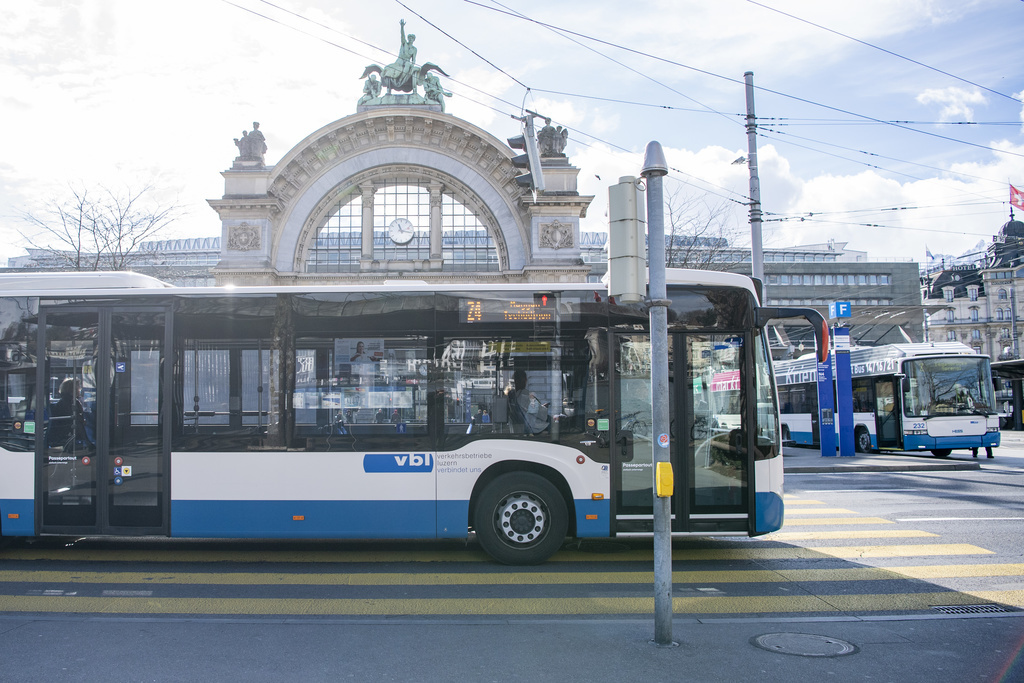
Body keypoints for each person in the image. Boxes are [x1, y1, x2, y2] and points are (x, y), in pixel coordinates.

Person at [508, 369, 548, 434]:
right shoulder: (525, 396)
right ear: (525, 380)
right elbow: (542, 415)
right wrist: (544, 408)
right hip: (530, 429)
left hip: (518, 428)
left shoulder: (513, 397)